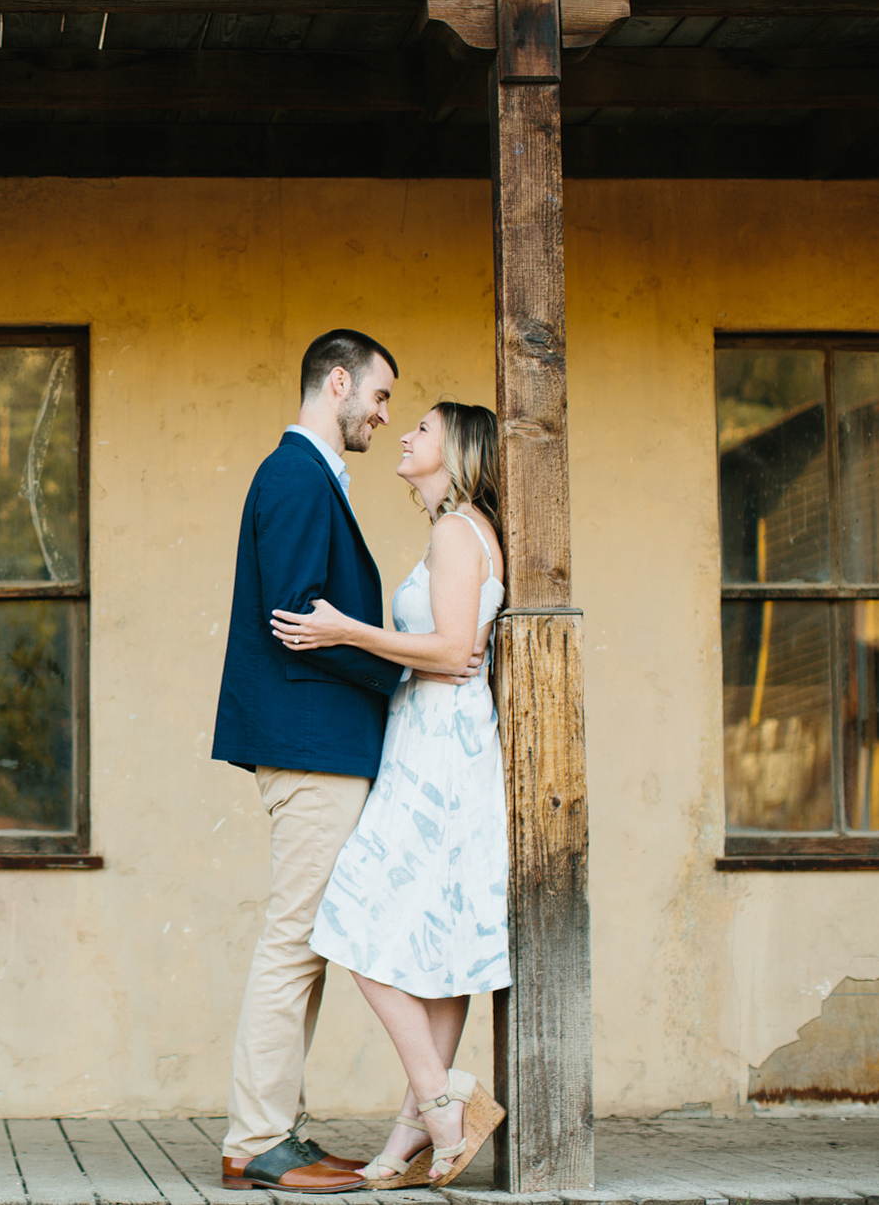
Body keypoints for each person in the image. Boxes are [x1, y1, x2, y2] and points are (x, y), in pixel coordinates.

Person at [211, 329, 468, 1194]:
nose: (385, 414)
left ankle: (276, 1128)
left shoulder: (313, 477)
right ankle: (256, 1140)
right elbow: (296, 616)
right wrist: (406, 663)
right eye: (380, 396)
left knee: (308, 944)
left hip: (320, 742)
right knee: (295, 942)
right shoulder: (291, 473)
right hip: (308, 744)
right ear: (336, 384)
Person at [272, 401, 511, 1190]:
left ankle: (444, 1102)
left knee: (351, 919)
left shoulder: (454, 532)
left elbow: (450, 649)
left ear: (456, 451)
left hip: (438, 749)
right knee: (435, 946)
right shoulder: (466, 529)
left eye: (422, 429)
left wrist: (347, 630)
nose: (404, 435)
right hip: (442, 737)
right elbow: (452, 651)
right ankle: (417, 1127)